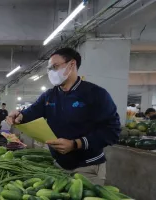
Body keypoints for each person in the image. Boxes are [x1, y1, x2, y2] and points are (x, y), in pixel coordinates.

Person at [7, 48, 120, 185]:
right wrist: (18, 116)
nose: (51, 72)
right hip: (58, 167)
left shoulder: (96, 94)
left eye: (54, 67)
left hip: (88, 168)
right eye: (49, 69)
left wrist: (75, 144)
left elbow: (112, 131)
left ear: (71, 65)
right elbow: (30, 113)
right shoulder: (49, 96)